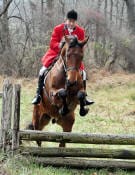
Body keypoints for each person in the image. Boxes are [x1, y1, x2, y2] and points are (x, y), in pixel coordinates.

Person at [32, 9, 94, 106]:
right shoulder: (58, 29)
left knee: (84, 74)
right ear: (66, 20)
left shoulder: (80, 31)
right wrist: (61, 45)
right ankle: (38, 95)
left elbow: (81, 47)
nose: (71, 23)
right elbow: (52, 44)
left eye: (73, 21)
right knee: (42, 71)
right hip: (56, 54)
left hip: (72, 58)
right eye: (69, 21)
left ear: (75, 22)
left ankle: (84, 97)